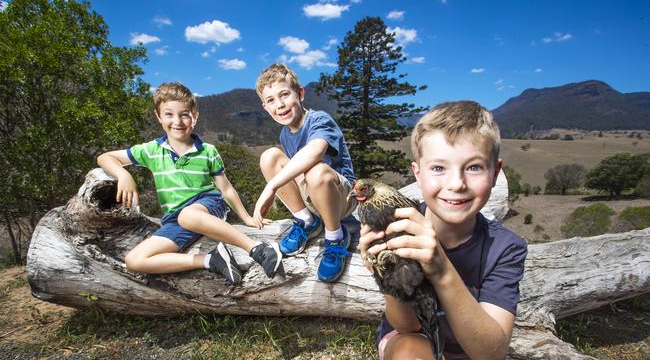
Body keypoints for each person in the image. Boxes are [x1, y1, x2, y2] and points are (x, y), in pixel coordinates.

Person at [359, 101, 528, 359]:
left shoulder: (505, 248)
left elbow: (491, 354)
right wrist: (383, 271)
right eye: (438, 168)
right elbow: (407, 326)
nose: (456, 184)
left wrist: (440, 267)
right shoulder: (397, 228)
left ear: (495, 173)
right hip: (411, 338)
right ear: (418, 174)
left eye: (474, 167)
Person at [97, 82, 282, 285]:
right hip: (174, 219)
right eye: (169, 114)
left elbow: (226, 188)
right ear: (158, 116)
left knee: (189, 215)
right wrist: (124, 175)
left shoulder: (207, 151)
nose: (177, 121)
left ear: (195, 116)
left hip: (209, 205)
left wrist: (246, 217)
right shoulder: (151, 150)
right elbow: (106, 157)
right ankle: (212, 260)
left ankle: (257, 249)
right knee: (134, 260)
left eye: (184, 114)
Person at [253, 64, 357, 282]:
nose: (279, 105)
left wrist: (271, 186)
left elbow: (315, 152)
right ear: (265, 107)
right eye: (271, 100)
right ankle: (308, 222)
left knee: (316, 171)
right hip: (312, 196)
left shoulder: (319, 119)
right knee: (269, 157)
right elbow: (296, 172)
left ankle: (336, 237)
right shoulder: (284, 135)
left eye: (284, 95)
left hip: (341, 197)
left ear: (299, 94)